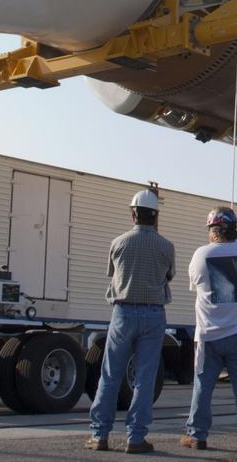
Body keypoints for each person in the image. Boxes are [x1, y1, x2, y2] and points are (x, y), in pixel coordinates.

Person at [87, 189, 176, 453]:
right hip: (154, 314)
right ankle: (136, 438)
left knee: (110, 374)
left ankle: (100, 435)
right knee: (144, 378)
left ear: (133, 213)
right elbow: (168, 276)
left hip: (123, 313)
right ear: (156, 215)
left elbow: (111, 274)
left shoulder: (118, 243)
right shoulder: (167, 246)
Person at [182, 207, 237, 453]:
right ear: (234, 228)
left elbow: (194, 287)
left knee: (202, 387)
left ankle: (197, 436)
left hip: (209, 335)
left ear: (213, 230)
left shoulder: (200, 255)